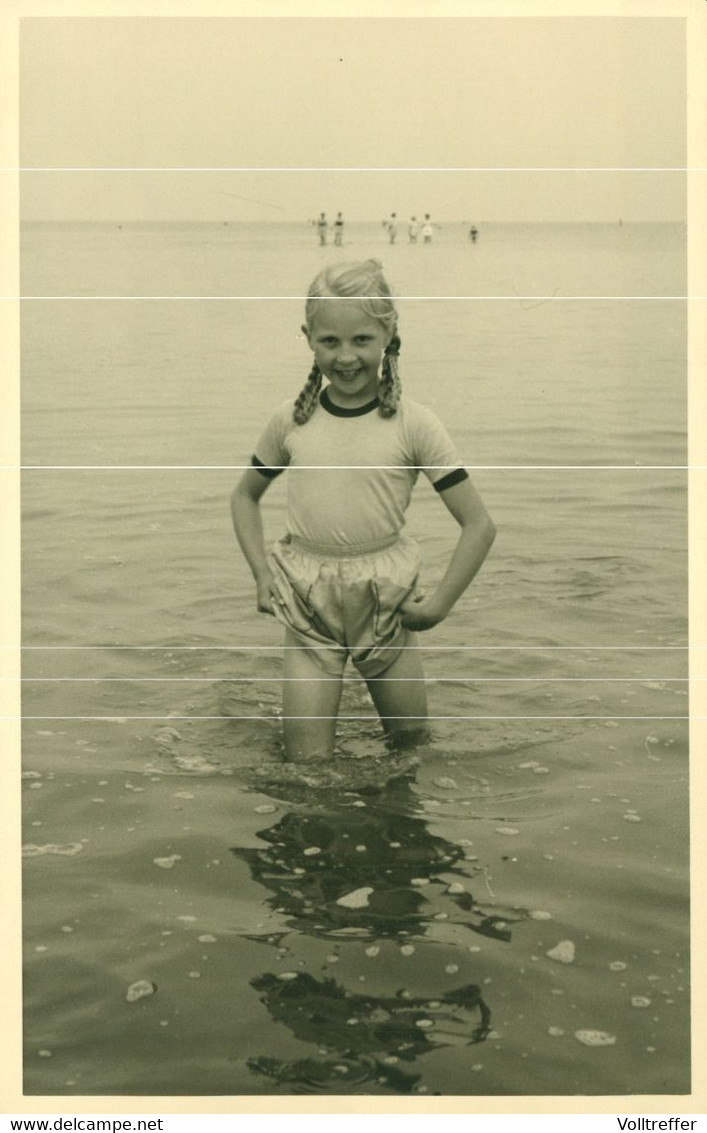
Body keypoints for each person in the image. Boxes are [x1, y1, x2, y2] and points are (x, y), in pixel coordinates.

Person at [230, 258, 496, 762]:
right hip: (308, 606)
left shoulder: (414, 425)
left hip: (386, 603)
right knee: (306, 769)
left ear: (388, 335)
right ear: (308, 337)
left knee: (412, 753)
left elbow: (479, 525)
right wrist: (262, 575)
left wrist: (439, 606)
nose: (346, 357)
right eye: (330, 341)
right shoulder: (290, 420)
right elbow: (244, 495)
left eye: (361, 341)